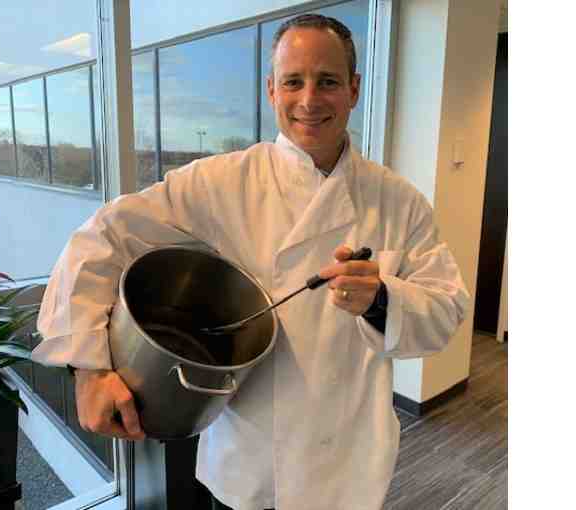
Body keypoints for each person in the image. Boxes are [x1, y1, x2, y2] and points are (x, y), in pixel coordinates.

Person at [33, 13, 470, 510]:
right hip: (249, 458)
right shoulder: (223, 181)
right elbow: (103, 236)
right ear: (271, 90)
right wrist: (89, 369)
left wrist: (381, 299)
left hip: (346, 464)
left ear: (353, 89)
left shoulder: (399, 201)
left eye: (327, 81)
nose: (309, 100)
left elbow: (447, 306)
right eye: (293, 81)